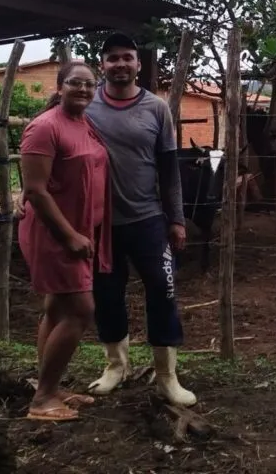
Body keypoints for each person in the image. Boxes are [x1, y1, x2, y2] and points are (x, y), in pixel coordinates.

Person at [84, 32, 196, 407]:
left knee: (163, 295)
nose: (120, 64)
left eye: (127, 57)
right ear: (102, 64)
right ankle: (115, 367)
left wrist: (176, 219)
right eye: (112, 58)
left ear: (138, 64)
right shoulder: (85, 108)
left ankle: (167, 376)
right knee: (106, 296)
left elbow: (169, 171)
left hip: (149, 220)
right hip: (100, 225)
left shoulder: (156, 108)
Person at [17, 61, 112, 422]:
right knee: (81, 310)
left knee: (57, 309)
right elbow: (36, 191)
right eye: (75, 83)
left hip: (78, 232)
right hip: (55, 234)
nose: (84, 90)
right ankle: (41, 400)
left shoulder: (83, 122)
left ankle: (50, 386)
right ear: (59, 86)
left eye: (90, 84)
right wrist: (70, 235)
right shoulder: (44, 127)